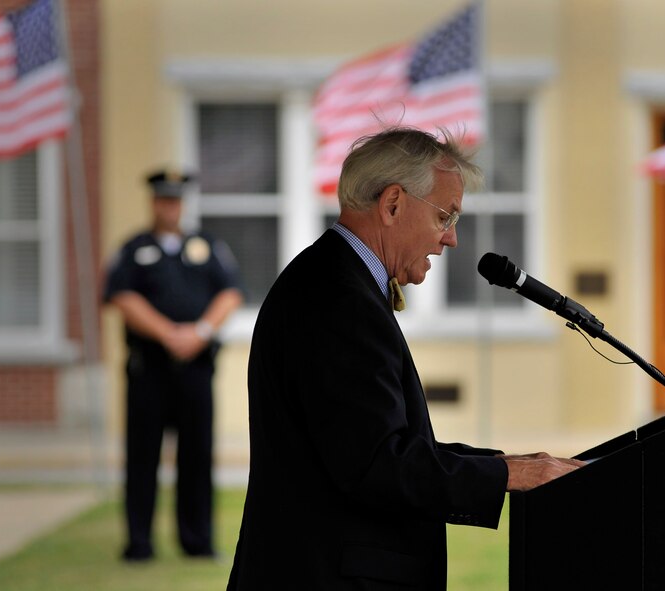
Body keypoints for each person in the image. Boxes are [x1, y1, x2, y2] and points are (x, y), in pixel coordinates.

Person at [226, 128, 585, 589]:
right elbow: (379, 466)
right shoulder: (338, 297)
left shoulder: (337, 280)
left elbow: (378, 445)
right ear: (393, 203)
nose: (451, 238)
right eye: (445, 215)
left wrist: (510, 462)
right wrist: (507, 474)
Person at [105, 169, 244, 561]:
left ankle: (197, 541)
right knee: (142, 456)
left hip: (196, 368)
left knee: (197, 456)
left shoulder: (206, 245)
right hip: (149, 368)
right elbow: (122, 297)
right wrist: (168, 334)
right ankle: (139, 542)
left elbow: (231, 293)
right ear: (153, 203)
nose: (170, 206)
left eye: (176, 200)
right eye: (164, 199)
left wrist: (199, 332)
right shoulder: (134, 248)